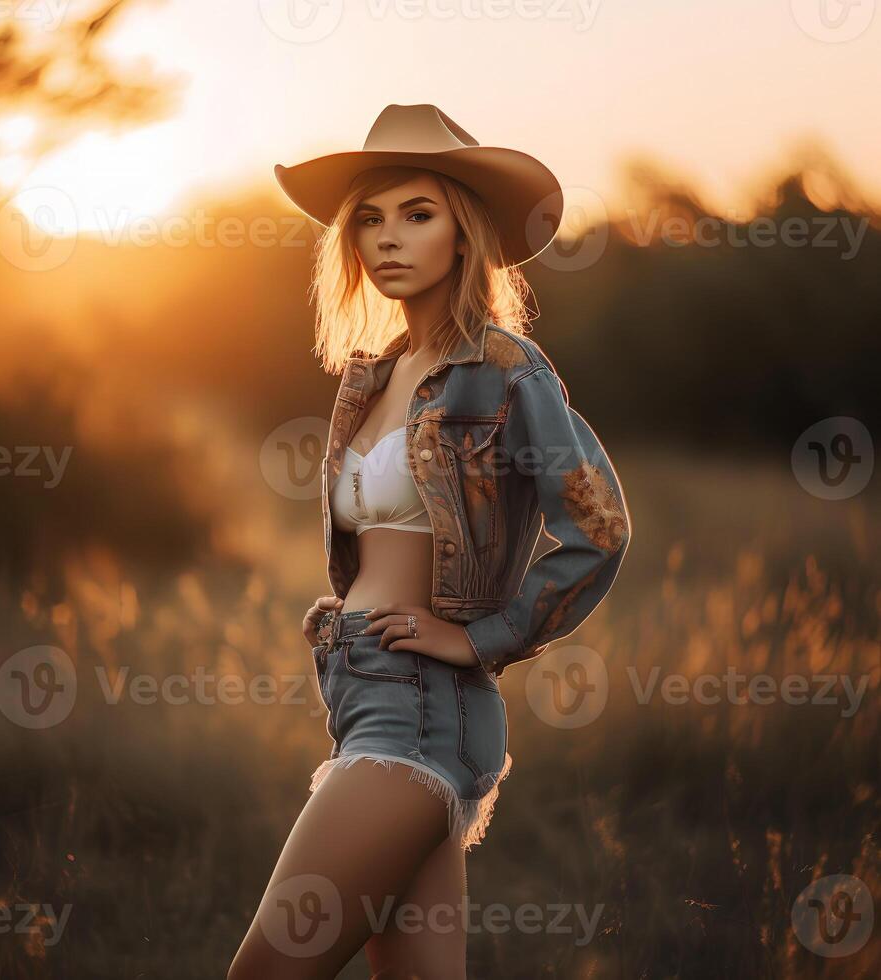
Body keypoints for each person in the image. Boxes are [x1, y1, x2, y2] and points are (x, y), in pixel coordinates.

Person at [227, 103, 631, 980]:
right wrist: (344, 612)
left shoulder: (506, 370)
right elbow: (394, 533)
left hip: (423, 712)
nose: (387, 239)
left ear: (464, 233)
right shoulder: (368, 378)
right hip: (359, 691)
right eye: (369, 219)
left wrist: (479, 638)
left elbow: (597, 526)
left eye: (417, 214)